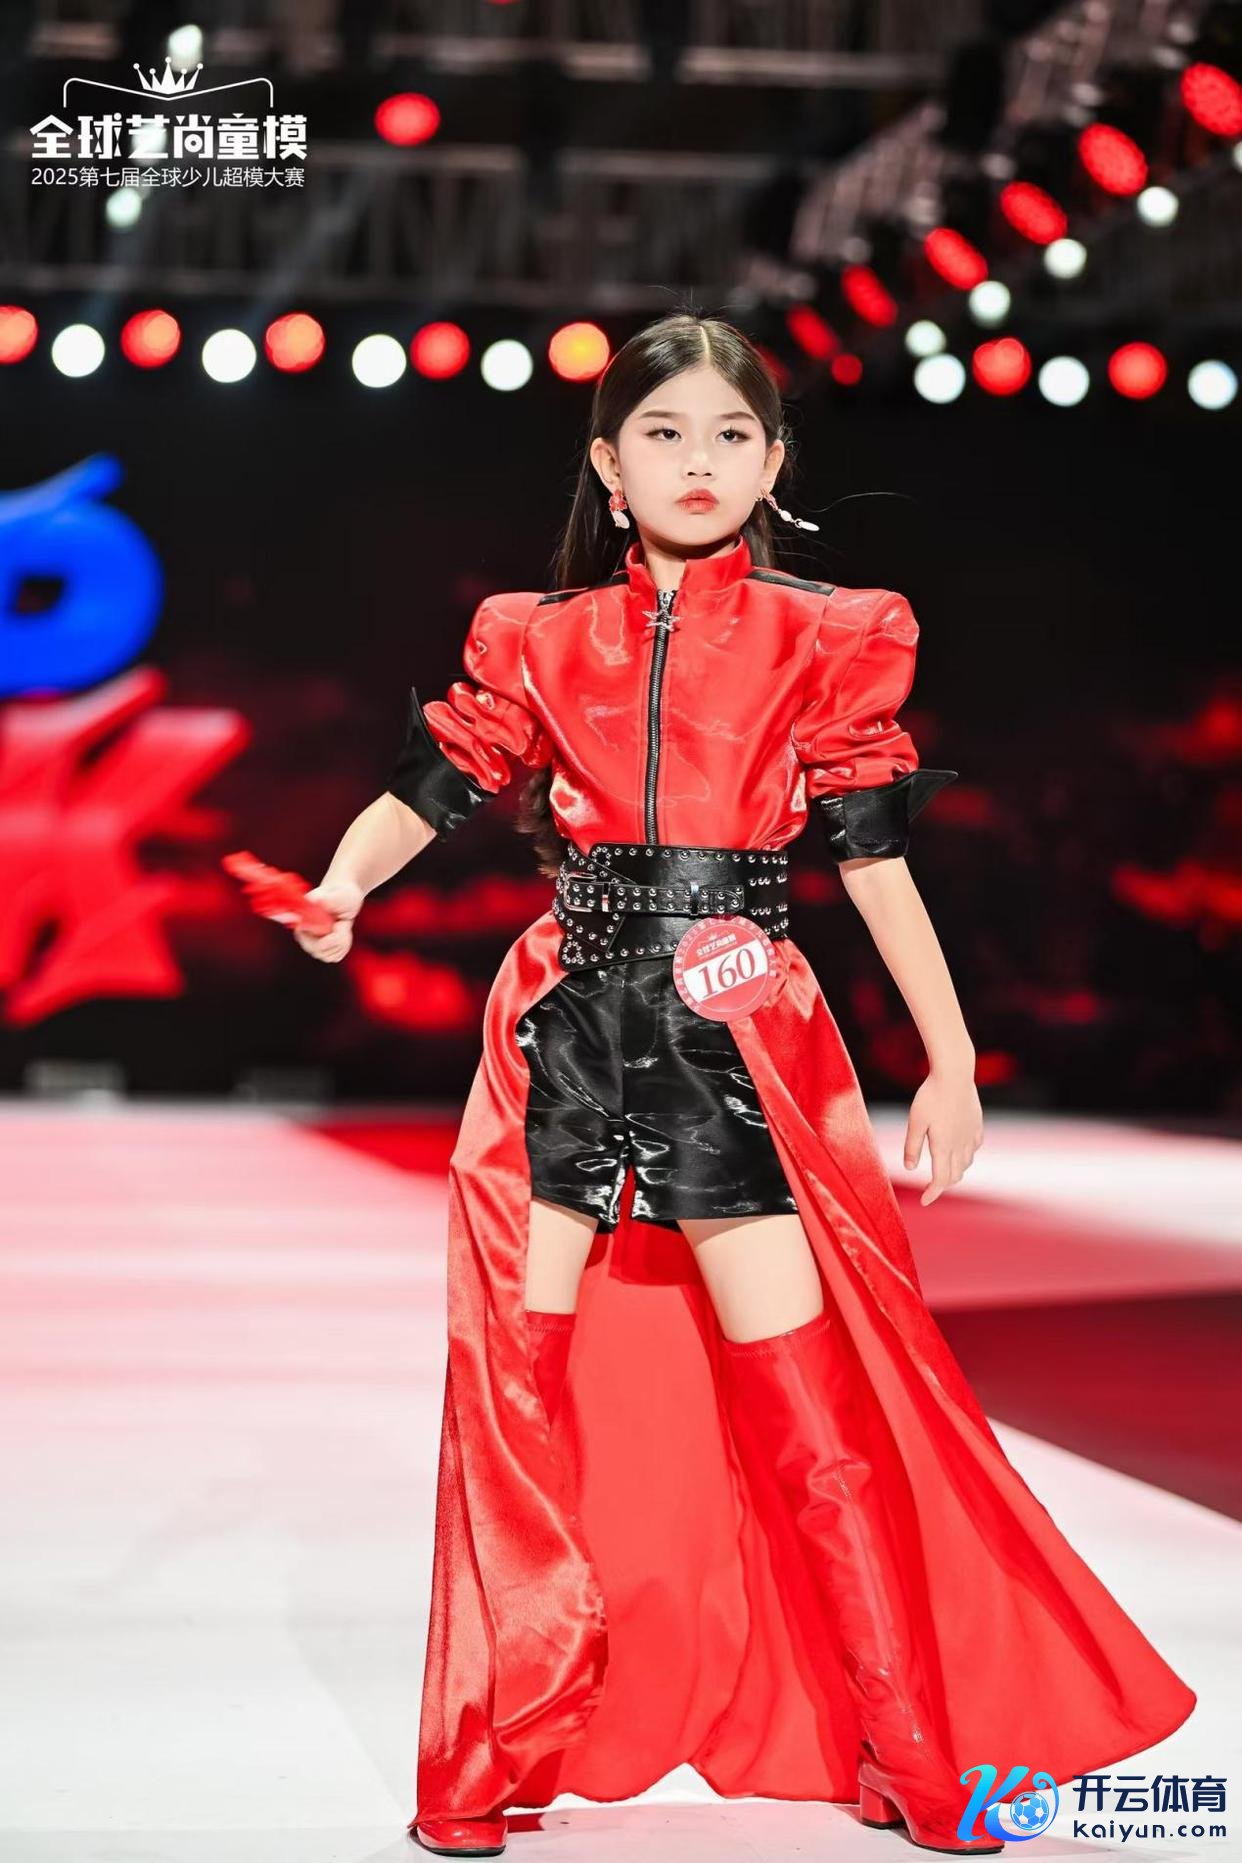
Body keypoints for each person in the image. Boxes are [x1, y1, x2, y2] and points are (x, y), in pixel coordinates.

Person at [296, 314, 1196, 1859]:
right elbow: (434, 785)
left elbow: (874, 859)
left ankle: (911, 1751)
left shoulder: (828, 635)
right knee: (514, 1394)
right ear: (608, 463)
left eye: (728, 434)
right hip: (566, 1021)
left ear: (773, 462)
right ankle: (496, 1746)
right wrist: (341, 885)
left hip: (730, 1026)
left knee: (811, 1421)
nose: (696, 462)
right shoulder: (534, 638)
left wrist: (952, 1055)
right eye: (663, 434)